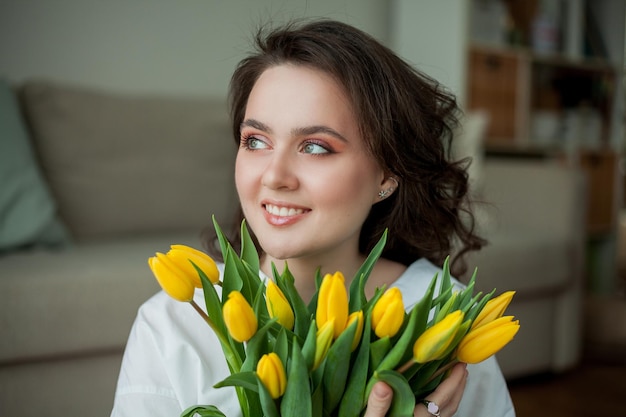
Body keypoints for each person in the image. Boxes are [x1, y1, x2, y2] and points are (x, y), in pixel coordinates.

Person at [111, 19, 515, 417]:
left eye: (316, 148)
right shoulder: (174, 322)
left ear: (388, 174)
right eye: (255, 141)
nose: (273, 176)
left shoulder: (444, 322)